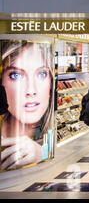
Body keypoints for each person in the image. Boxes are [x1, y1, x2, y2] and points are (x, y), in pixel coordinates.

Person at [1, 41, 54, 171]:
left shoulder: (49, 134)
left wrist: (40, 153)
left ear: (51, 82)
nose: (31, 90)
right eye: (16, 75)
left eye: (42, 74)